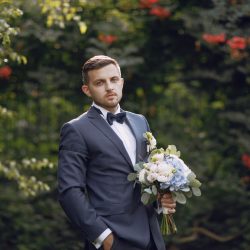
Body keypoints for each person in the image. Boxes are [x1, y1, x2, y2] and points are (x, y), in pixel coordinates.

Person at [57, 55, 176, 250]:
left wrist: (162, 201)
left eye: (113, 80)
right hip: (113, 238)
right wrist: (103, 237)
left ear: (121, 82)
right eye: (100, 82)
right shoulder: (76, 130)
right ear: (87, 90)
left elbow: (149, 178)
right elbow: (69, 192)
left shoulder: (140, 122)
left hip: (151, 235)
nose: (109, 87)